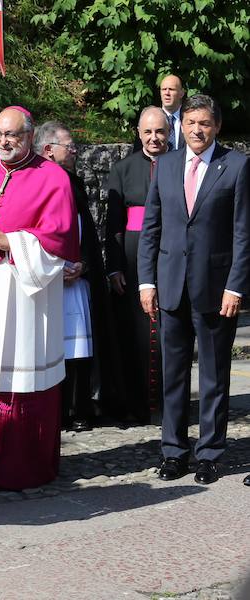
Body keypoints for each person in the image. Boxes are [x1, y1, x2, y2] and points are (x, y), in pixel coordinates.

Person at [0, 106, 79, 490]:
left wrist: (12, 240)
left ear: (30, 137)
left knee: (22, 377)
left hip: (26, 294)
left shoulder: (53, 178)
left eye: (12, 136)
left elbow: (59, 239)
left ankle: (23, 466)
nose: (3, 142)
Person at [138, 94, 250, 485]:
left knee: (215, 376)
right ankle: (173, 452)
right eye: (190, 124)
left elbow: (242, 233)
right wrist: (146, 280)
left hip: (216, 289)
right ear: (179, 127)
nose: (197, 130)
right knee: (173, 375)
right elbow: (151, 228)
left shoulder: (235, 166)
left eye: (204, 123)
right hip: (170, 286)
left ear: (216, 126)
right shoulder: (166, 166)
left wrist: (235, 286)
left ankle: (210, 454)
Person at [34, 121, 115, 431]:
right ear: (48, 150)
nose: (75, 151)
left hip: (75, 278)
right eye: (69, 146)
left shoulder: (74, 184)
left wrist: (84, 264)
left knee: (79, 347)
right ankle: (55, 409)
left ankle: (78, 407)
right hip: (48, 280)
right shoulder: (38, 183)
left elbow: (86, 235)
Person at [106, 107, 170, 423]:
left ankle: (170, 404)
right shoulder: (122, 169)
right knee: (136, 332)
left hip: (171, 253)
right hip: (132, 257)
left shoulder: (180, 164)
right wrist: (114, 267)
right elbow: (113, 224)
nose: (154, 137)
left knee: (168, 330)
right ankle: (136, 403)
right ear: (139, 132)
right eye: (148, 132)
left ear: (169, 131)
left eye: (159, 131)